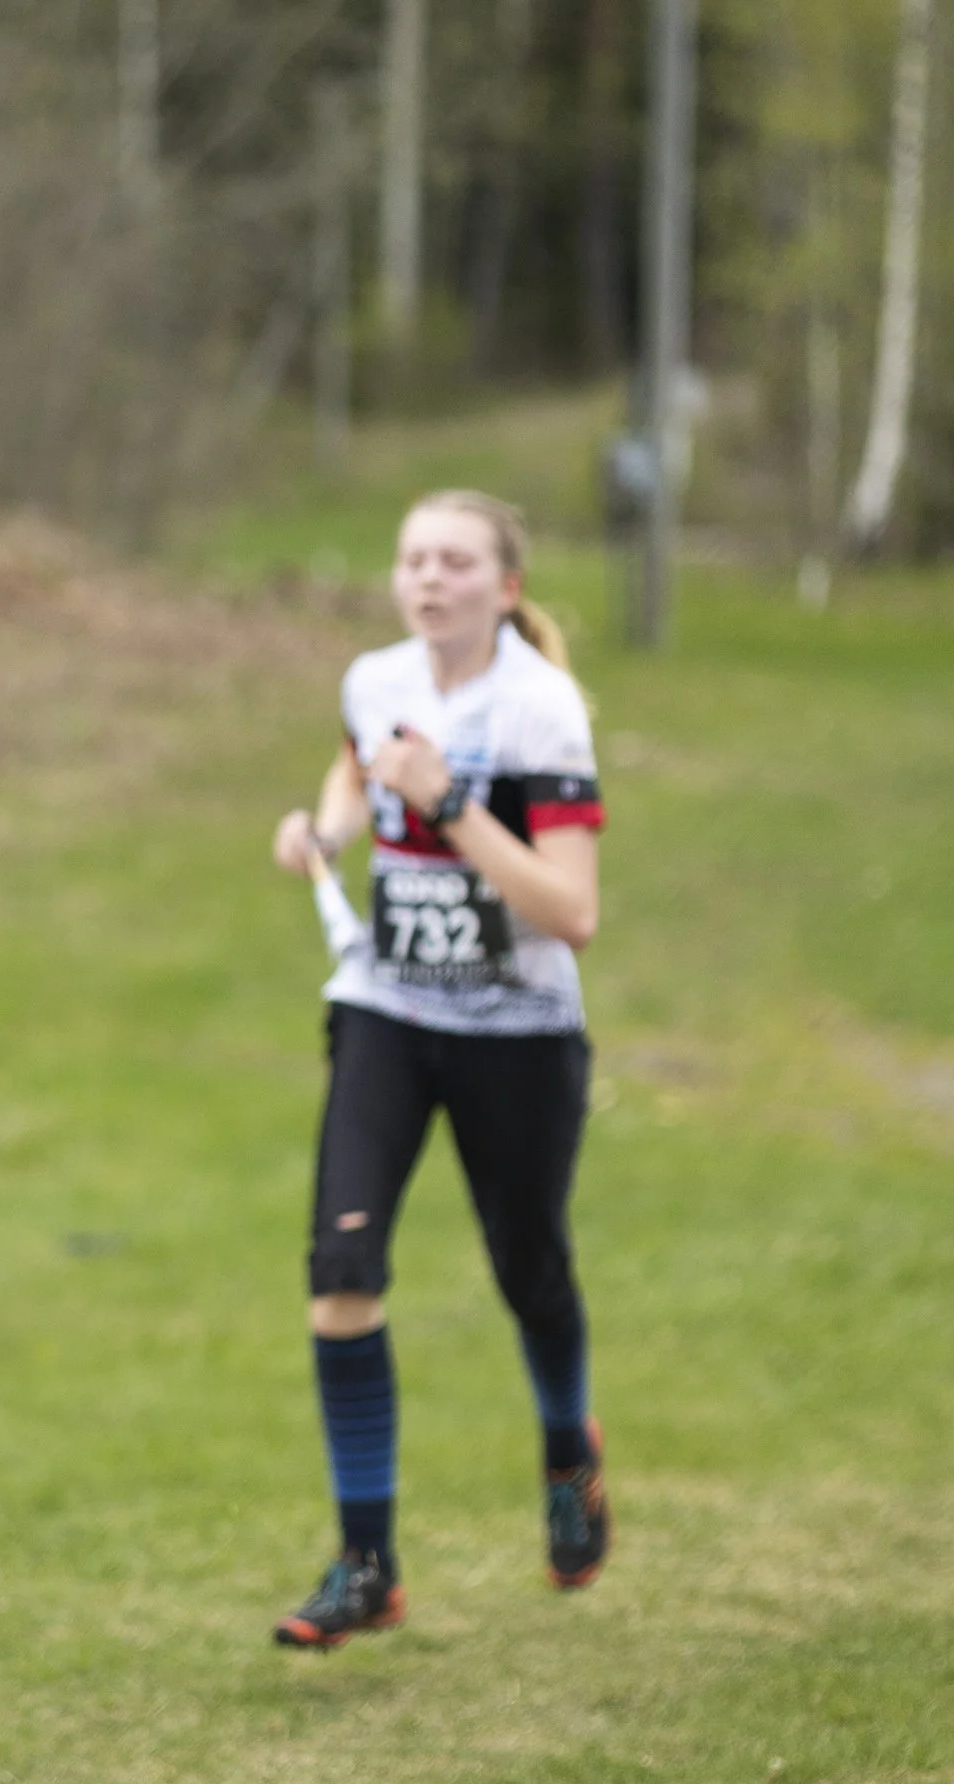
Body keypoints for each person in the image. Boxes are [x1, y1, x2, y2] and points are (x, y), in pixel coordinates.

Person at [267, 490, 609, 1650]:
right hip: (386, 1013)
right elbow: (358, 768)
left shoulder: (541, 708)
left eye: (454, 561)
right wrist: (324, 828)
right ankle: (367, 1562)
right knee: (341, 1267)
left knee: (529, 1269)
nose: (427, 578)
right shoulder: (376, 679)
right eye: (411, 557)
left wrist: (450, 803)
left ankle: (568, 1446)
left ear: (504, 586)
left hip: (518, 1032)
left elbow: (572, 909)